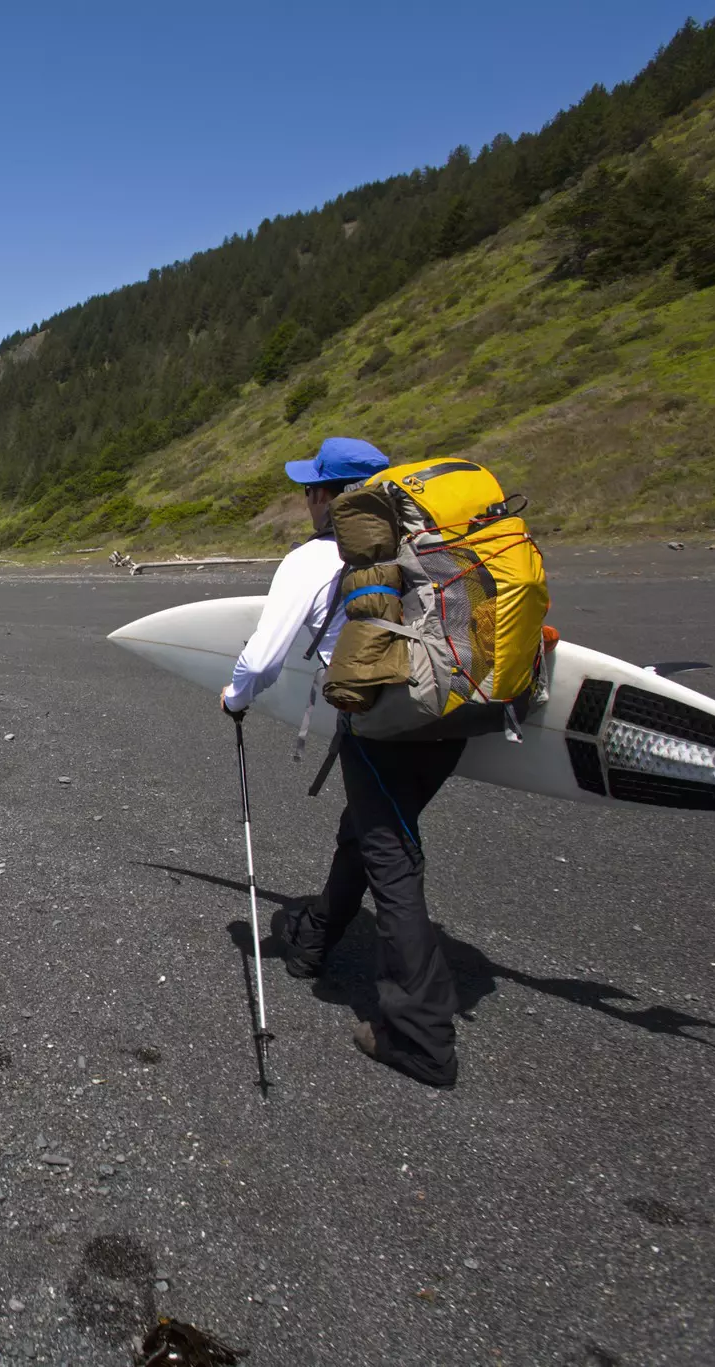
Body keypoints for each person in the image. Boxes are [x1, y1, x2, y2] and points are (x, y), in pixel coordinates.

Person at [218, 436, 463, 1089]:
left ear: (331, 496)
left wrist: (234, 697)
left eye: (310, 489)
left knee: (392, 858)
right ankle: (315, 941)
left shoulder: (318, 556)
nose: (306, 499)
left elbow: (264, 657)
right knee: (367, 827)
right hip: (457, 710)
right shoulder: (432, 540)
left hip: (386, 724)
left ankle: (420, 1037)